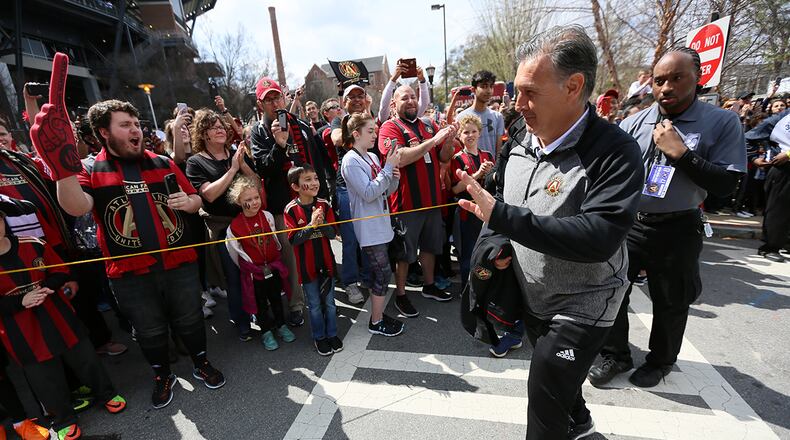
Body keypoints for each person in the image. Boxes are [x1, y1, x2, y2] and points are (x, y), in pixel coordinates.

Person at [456, 26, 644, 439]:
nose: (517, 103)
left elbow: (599, 236)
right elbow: (502, 199)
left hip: (585, 303)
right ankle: (579, 421)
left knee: (544, 393)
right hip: (533, 294)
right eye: (515, 91)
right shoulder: (519, 136)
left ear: (573, 86)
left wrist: (504, 219)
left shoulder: (615, 152)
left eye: (529, 92)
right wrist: (496, 243)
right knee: (562, 387)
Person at [588, 47, 747, 389]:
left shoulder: (722, 122)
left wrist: (682, 154)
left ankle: (661, 361)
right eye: (659, 80)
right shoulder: (634, 123)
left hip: (679, 226)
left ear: (698, 77)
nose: (666, 87)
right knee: (612, 291)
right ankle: (615, 354)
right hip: (630, 224)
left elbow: (727, 185)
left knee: (671, 300)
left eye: (677, 78)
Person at [54, 100, 225, 409]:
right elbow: (76, 207)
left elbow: (196, 199)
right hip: (129, 274)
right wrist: (60, 165)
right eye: (125, 125)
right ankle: (162, 375)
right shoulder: (90, 168)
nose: (135, 130)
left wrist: (188, 203)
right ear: (104, 132)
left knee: (191, 319)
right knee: (149, 330)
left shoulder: (162, 162)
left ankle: (201, 363)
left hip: (180, 264)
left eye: (136, 123)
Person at [0, 211, 127, 440]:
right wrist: (20, 301)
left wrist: (47, 287)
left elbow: (61, 270)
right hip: (20, 331)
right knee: (44, 378)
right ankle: (63, 419)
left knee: (86, 359)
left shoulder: (33, 243)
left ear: (3, 221)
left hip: (58, 316)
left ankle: (107, 394)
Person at [250, 77, 333, 327]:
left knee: (318, 250)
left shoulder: (301, 124)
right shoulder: (259, 131)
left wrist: (324, 196)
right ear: (260, 104)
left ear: (284, 98)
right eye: (268, 100)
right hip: (285, 206)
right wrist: (279, 144)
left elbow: (316, 162)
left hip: (312, 202)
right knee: (293, 258)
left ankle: (322, 297)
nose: (275, 103)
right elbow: (263, 168)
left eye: (277, 97)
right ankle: (297, 304)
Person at [378, 85, 458, 317]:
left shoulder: (428, 124)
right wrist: (433, 141)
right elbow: (399, 158)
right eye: (405, 97)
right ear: (393, 104)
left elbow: (444, 156)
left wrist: (449, 140)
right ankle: (401, 295)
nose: (411, 100)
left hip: (432, 200)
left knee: (431, 246)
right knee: (404, 253)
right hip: (406, 203)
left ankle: (429, 285)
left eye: (414, 96)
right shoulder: (389, 127)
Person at [186, 109, 258, 337]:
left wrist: (242, 164)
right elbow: (209, 195)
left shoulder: (235, 153)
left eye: (221, 126)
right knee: (233, 277)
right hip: (222, 228)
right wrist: (233, 169)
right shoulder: (195, 162)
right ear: (203, 133)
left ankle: (258, 312)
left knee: (254, 271)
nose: (220, 130)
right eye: (213, 127)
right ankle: (241, 321)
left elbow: (255, 183)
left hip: (247, 222)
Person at [340, 113, 405, 336]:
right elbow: (368, 193)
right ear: (356, 134)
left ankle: (378, 317)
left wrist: (394, 175)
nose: (375, 135)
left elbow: (385, 191)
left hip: (381, 224)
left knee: (383, 273)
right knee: (382, 273)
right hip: (369, 228)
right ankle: (376, 321)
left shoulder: (373, 157)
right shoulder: (350, 160)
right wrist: (387, 169)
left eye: (375, 131)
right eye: (370, 131)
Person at [225, 176, 296, 349]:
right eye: (248, 200)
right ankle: (266, 332)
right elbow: (234, 252)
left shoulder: (267, 216)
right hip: (254, 273)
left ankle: (281, 325)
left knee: (277, 298)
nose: (254, 202)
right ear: (238, 201)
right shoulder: (234, 227)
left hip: (273, 267)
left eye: (256, 197)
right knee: (260, 304)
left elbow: (275, 240)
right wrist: (250, 266)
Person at [283, 165, 342, 356]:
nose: (314, 183)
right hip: (307, 267)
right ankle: (319, 337)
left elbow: (332, 234)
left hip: (327, 263)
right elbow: (294, 239)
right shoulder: (291, 210)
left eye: (315, 178)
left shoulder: (324, 204)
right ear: (296, 186)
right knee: (315, 305)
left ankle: (332, 333)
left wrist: (321, 223)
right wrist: (311, 225)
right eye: (307, 180)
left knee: (330, 303)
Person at [328, 84, 375, 305]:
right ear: (344, 102)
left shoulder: (369, 119)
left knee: (368, 236)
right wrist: (359, 127)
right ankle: (350, 282)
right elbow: (337, 139)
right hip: (346, 188)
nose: (356, 99)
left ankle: (366, 276)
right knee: (350, 240)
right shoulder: (339, 121)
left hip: (369, 184)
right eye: (351, 97)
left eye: (360, 95)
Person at [450, 114, 494, 290]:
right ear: (460, 136)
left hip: (487, 212)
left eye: (474, 131)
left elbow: (494, 183)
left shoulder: (487, 155)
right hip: (467, 215)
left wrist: (491, 174)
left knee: (487, 253)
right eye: (466, 132)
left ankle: (485, 289)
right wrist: (477, 174)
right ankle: (467, 291)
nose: (470, 135)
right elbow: (455, 189)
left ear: (479, 133)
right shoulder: (458, 159)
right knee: (468, 254)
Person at [745, 108, 790, 262]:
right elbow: (748, 138)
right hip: (784, 171)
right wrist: (754, 158)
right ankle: (770, 247)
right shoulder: (781, 118)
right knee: (778, 210)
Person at [458, 70, 505, 158]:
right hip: (470, 166)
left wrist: (496, 165)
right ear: (473, 89)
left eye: (491, 86)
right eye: (484, 86)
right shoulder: (462, 117)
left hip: (492, 165)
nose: (489, 91)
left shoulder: (497, 117)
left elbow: (499, 150)